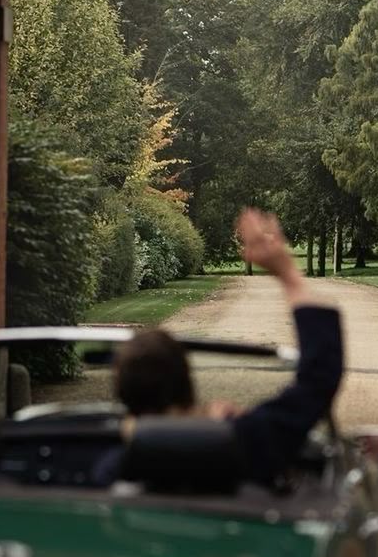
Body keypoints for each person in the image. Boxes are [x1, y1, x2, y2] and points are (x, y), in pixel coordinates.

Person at [95, 208, 343, 489]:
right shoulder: (243, 442)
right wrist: (288, 274)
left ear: (124, 395)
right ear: (185, 384)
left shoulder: (109, 471)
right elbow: (319, 377)